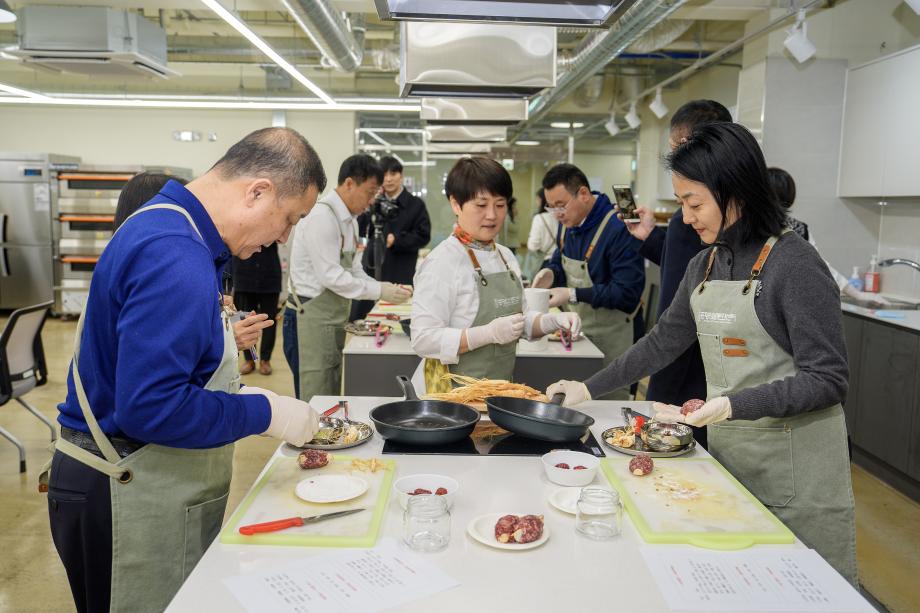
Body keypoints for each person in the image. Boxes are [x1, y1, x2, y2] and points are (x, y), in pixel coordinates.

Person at [548, 122, 857, 585]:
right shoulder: (706, 263)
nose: (687, 218)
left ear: (737, 192)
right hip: (732, 463)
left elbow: (828, 378)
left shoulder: (794, 265)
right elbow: (661, 342)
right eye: (682, 204)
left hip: (797, 474)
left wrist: (735, 403)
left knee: (799, 589)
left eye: (694, 204)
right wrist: (587, 388)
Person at [46, 127, 328, 613]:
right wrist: (264, 411)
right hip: (124, 490)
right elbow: (151, 408)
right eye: (288, 220)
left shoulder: (172, 229)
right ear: (256, 191)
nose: (282, 238)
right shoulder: (174, 253)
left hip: (140, 482)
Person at [411, 157, 580, 392]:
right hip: (450, 396)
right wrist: (487, 334)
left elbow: (518, 323)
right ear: (456, 204)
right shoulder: (442, 262)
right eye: (481, 205)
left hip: (497, 389)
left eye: (500, 205)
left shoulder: (505, 256)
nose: (492, 215)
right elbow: (423, 339)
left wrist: (552, 321)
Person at [618, 100, 732, 441]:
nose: (687, 214)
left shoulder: (719, 217)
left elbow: (684, 312)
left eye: (675, 151)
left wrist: (660, 392)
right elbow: (683, 269)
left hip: (697, 370)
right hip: (688, 363)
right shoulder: (695, 219)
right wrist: (651, 237)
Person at [284, 154, 412, 401]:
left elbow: (354, 270)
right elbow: (331, 276)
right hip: (308, 319)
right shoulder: (322, 217)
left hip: (330, 319)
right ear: (350, 184)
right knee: (314, 396)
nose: (372, 199)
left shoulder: (350, 222)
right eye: (370, 192)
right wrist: (379, 292)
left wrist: (382, 287)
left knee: (329, 391)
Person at [115, 172, 275, 362]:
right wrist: (226, 339)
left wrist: (211, 306)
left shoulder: (129, 263)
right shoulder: (162, 268)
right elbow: (160, 364)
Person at [532, 163, 645, 399]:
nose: (557, 214)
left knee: (610, 403)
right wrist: (549, 273)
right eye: (551, 208)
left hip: (615, 335)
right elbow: (559, 261)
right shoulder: (568, 225)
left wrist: (573, 294)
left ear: (583, 194)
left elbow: (627, 293)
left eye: (561, 206)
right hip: (581, 334)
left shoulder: (618, 227)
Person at [768, 166, 888, 306]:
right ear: (790, 197)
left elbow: (821, 266)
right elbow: (822, 266)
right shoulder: (800, 229)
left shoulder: (751, 227)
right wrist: (857, 294)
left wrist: (858, 294)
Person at [350, 155, 431, 321]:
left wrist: (398, 241)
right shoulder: (373, 201)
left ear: (401, 176)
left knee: (397, 315)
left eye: (393, 174)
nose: (388, 179)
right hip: (372, 265)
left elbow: (424, 235)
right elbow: (359, 227)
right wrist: (369, 203)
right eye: (384, 175)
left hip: (400, 267)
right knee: (366, 317)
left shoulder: (415, 204)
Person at [230, 244, 282, 375]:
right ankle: (249, 359)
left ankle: (265, 359)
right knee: (244, 319)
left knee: (269, 321)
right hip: (244, 276)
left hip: (269, 276)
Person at [525, 188, 559, 280]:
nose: (536, 202)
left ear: (542, 200)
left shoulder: (539, 218)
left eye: (537, 199)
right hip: (559, 262)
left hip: (544, 262)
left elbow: (532, 246)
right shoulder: (560, 216)